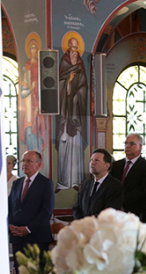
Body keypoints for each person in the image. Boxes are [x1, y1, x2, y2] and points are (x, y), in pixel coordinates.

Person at [8, 150, 55, 265]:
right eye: (23, 161)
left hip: (36, 237)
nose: (25, 164)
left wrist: (28, 229)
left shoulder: (46, 183)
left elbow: (46, 211)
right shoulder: (17, 183)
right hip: (17, 237)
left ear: (39, 165)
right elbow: (9, 207)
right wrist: (10, 225)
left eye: (29, 161)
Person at [56, 37, 87, 190]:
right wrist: (68, 81)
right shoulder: (64, 62)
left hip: (76, 114)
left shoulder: (81, 65)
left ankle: (76, 181)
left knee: (76, 147)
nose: (75, 52)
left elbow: (84, 88)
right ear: (68, 47)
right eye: (72, 48)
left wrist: (76, 97)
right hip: (64, 113)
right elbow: (58, 84)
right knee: (64, 145)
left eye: (77, 48)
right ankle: (63, 182)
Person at [110, 133, 146, 226]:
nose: (127, 146)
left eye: (131, 144)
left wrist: (120, 202)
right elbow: (111, 187)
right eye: (126, 143)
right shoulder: (116, 166)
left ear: (140, 146)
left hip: (137, 215)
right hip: (116, 215)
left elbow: (144, 189)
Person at [73, 149, 123, 220]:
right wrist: (81, 223)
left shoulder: (115, 186)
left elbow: (109, 212)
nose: (92, 163)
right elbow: (77, 208)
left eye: (96, 160)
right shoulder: (85, 185)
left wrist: (88, 223)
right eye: (91, 160)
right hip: (83, 228)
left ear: (107, 166)